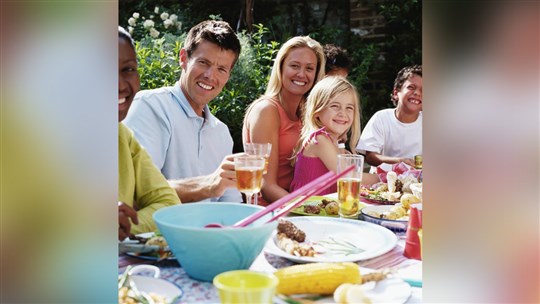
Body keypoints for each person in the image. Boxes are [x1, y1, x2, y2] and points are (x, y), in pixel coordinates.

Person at [124, 20, 243, 203]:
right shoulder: (149, 106)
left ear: (228, 76)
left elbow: (232, 207)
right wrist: (208, 185)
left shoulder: (222, 132)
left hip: (213, 231)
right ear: (183, 59)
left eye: (221, 69)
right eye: (203, 62)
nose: (210, 76)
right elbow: (138, 188)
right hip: (160, 231)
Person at [243, 36, 326, 204]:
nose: (302, 74)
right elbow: (266, 185)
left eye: (309, 68)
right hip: (269, 213)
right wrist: (307, 211)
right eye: (294, 66)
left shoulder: (307, 113)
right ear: (280, 68)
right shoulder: (266, 110)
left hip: (300, 204)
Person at [118, 26, 180, 240]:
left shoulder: (121, 136)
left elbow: (168, 205)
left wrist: (125, 225)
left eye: (127, 69)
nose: (119, 85)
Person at [290, 76, 379, 194]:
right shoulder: (319, 139)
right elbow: (347, 176)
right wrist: (384, 178)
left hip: (327, 207)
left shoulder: (335, 143)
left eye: (349, 108)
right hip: (307, 208)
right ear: (317, 111)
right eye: (335, 106)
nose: (342, 113)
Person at [356, 65, 422, 168]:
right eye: (411, 87)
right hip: (383, 180)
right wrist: (399, 161)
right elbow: (370, 156)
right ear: (396, 93)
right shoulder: (381, 118)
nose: (417, 93)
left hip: (418, 182)